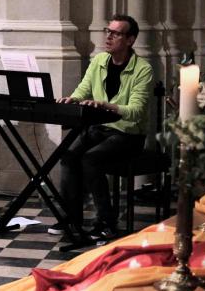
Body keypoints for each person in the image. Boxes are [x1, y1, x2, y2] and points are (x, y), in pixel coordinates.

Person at [55, 14, 153, 241]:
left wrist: (107, 106)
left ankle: (106, 223)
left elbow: (136, 110)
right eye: (107, 31)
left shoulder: (142, 69)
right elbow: (83, 89)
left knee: (91, 159)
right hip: (99, 128)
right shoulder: (99, 61)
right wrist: (73, 99)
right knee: (68, 155)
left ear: (130, 40)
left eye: (115, 33)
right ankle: (72, 219)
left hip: (128, 133)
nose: (108, 36)